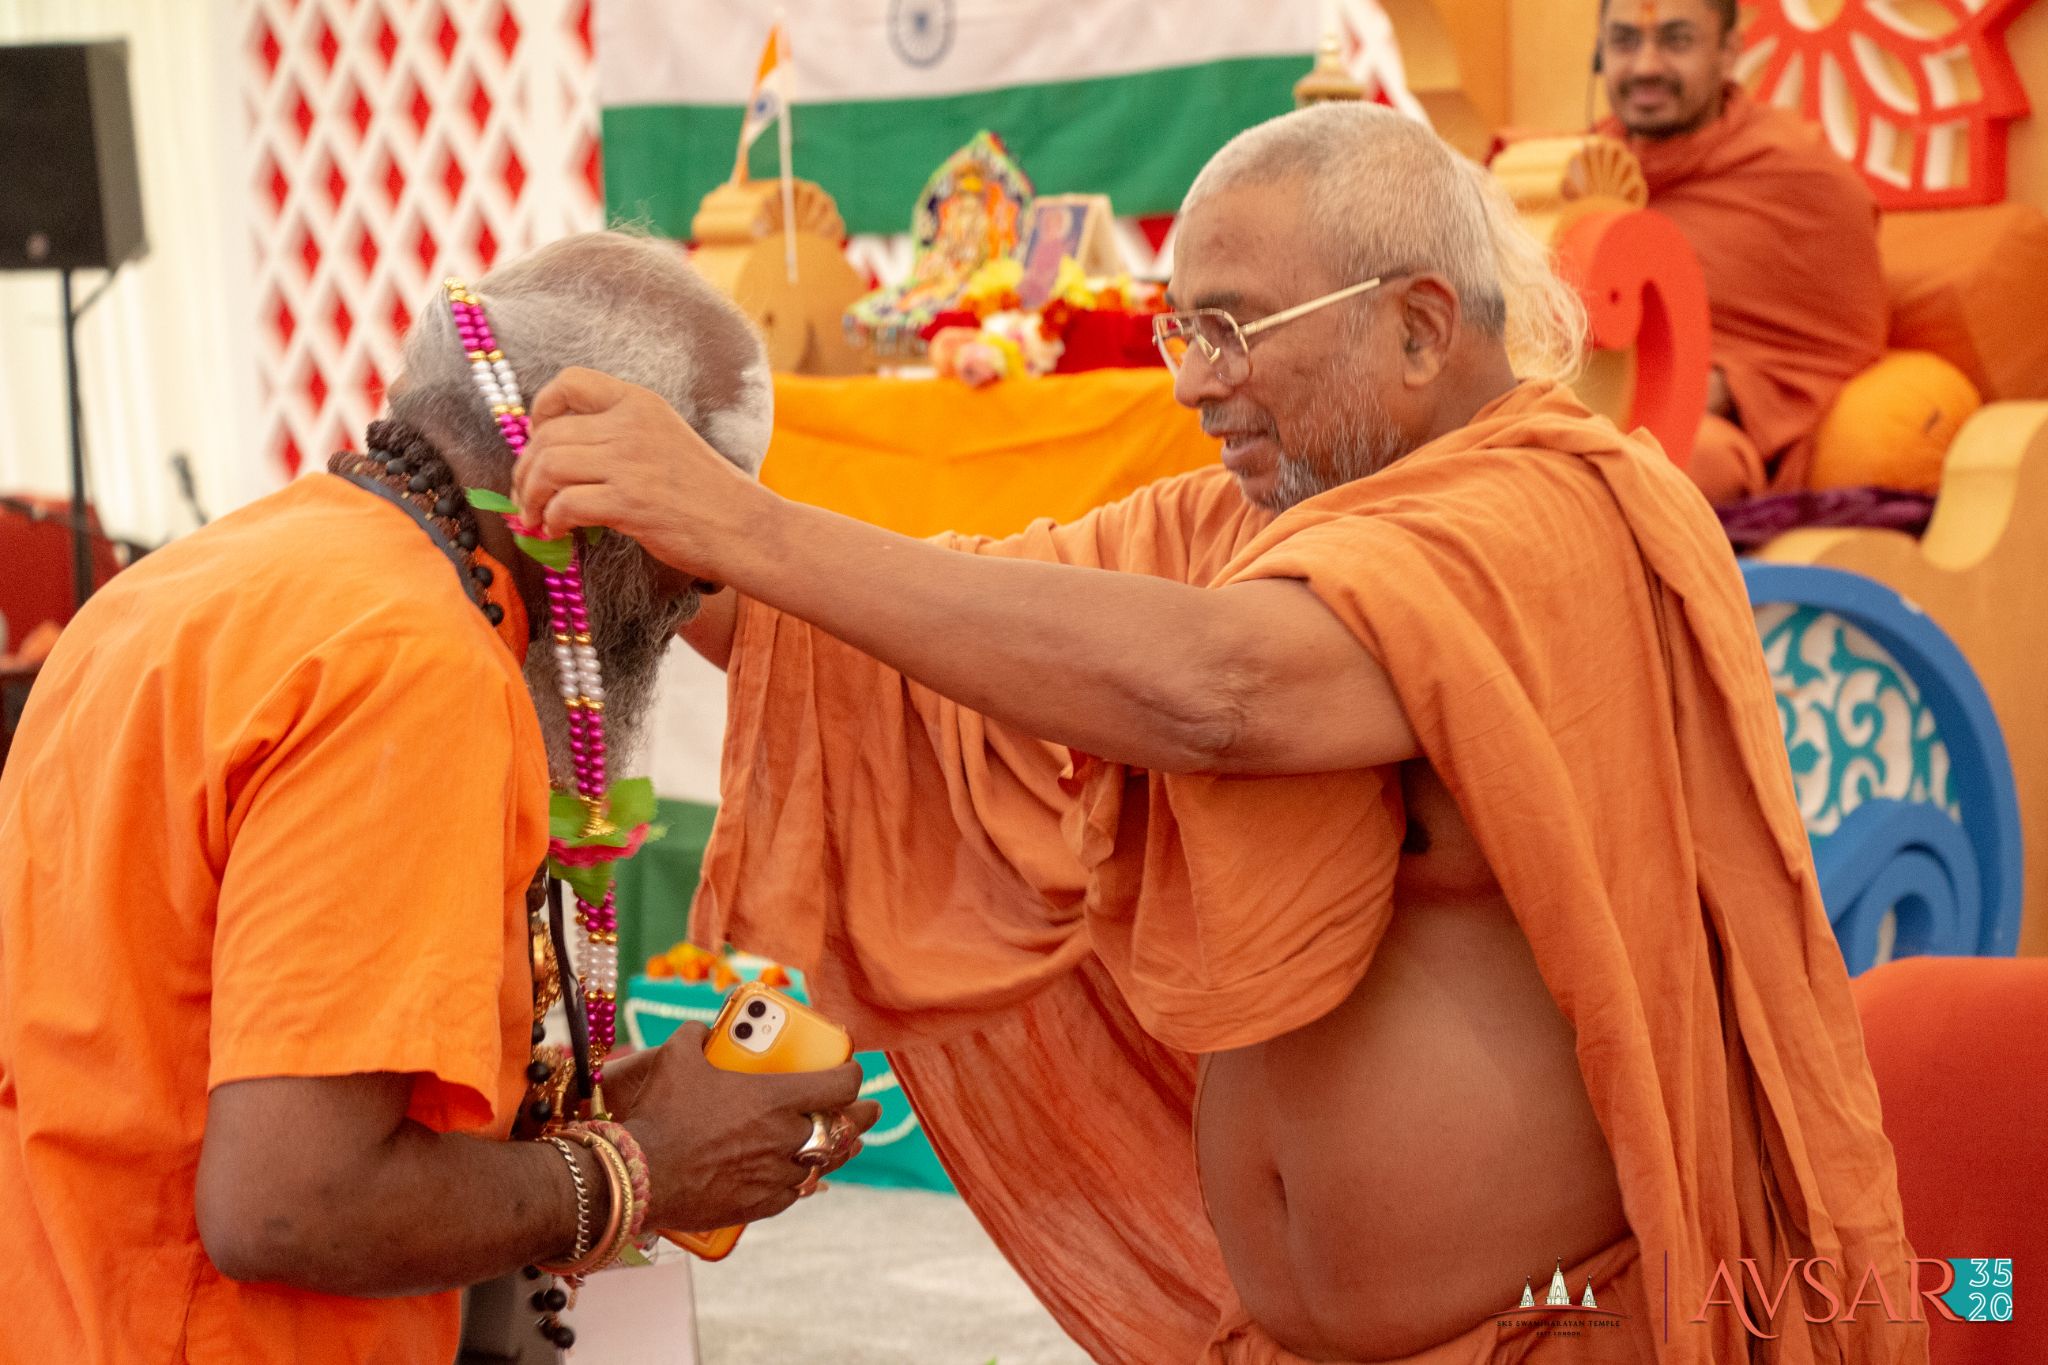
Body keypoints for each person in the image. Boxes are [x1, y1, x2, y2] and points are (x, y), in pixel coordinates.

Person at [517, 107, 1924, 1364]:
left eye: (1230, 330)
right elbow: (893, 643)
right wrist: (631, 512)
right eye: (1182, 332)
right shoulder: (1252, 523)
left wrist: (746, 521)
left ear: (1421, 326)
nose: (1192, 385)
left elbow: (1226, 695)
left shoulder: (1553, 515)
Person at [0, 232, 877, 1365]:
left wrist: (581, 1108)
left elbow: (185, 1054)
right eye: (700, 512)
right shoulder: (414, 664)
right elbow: (289, 1203)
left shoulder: (187, 583)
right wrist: (649, 1170)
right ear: (585, 478)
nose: (708, 578)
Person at [1595, 0, 1889, 504]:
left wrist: (1728, 385)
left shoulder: (1799, 177)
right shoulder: (1583, 170)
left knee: (1678, 461)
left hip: (1701, 427)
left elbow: (1843, 340)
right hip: (1572, 410)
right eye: (1624, 41)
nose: (1645, 66)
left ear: (1729, 52)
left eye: (1676, 40)